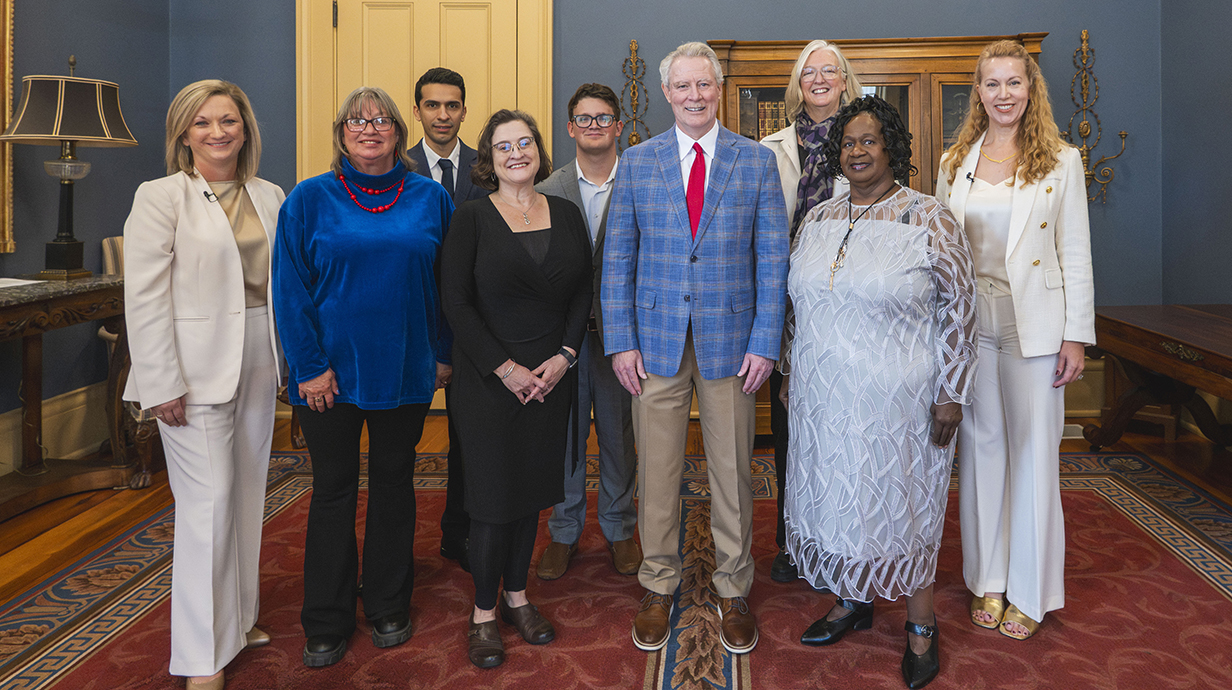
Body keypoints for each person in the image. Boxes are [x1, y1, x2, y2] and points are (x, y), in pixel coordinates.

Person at [779, 95, 976, 689]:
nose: (856, 151)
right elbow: (797, 307)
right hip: (826, 394)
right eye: (847, 142)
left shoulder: (927, 217)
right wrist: (789, 370)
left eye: (868, 140)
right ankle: (852, 601)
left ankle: (921, 625)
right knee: (841, 492)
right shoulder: (818, 219)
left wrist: (953, 391)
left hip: (900, 397)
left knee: (902, 501)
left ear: (892, 147)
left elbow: (962, 307)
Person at [603, 41, 788, 655]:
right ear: (666, 93)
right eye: (682, 86)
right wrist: (620, 341)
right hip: (652, 342)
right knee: (656, 469)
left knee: (732, 468)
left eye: (704, 85)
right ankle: (658, 583)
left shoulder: (755, 161)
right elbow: (618, 259)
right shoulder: (637, 162)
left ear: (718, 86)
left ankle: (733, 587)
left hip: (734, 343)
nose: (694, 96)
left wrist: (766, 341)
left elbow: (772, 259)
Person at [273, 86, 453, 668]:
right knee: (333, 492)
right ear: (341, 132)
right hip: (329, 378)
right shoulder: (308, 199)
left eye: (382, 120)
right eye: (358, 119)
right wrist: (309, 368)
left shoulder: (430, 197)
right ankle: (325, 618)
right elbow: (289, 291)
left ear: (399, 133)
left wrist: (443, 354)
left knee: (396, 486)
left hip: (405, 368)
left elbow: (451, 285)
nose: (370, 128)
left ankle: (387, 603)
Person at [123, 79, 285, 690]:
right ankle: (200, 657)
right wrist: (160, 381)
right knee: (205, 506)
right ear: (183, 134)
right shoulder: (162, 196)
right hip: (189, 370)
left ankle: (238, 622)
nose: (218, 132)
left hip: (260, 356)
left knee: (245, 493)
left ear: (245, 129)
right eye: (202, 124)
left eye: (228, 121)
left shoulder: (269, 194)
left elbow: (281, 285)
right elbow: (141, 298)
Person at [936, 39, 1095, 641]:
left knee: (1033, 458)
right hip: (973, 324)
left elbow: (1074, 254)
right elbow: (945, 254)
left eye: (1015, 83)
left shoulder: (1062, 160)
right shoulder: (957, 161)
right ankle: (991, 579)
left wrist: (1076, 337)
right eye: (992, 84)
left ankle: (1030, 590)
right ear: (977, 92)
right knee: (982, 454)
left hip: (1037, 326)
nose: (1004, 94)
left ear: (1032, 90)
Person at [441, 109, 592, 669]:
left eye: (524, 142)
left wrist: (565, 356)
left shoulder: (568, 214)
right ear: (489, 159)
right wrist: (504, 369)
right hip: (489, 380)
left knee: (530, 491)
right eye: (503, 147)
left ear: (538, 150)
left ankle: (518, 597)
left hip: (550, 378)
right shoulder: (472, 220)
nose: (515, 153)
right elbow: (455, 303)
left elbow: (582, 291)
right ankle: (482, 614)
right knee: (489, 500)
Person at [759, 39, 862, 583]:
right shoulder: (770, 146)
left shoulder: (869, 135)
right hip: (790, 303)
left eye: (829, 71)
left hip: (848, 305)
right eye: (809, 73)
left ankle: (840, 534)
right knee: (789, 425)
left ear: (844, 78)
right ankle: (791, 540)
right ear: (798, 85)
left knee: (843, 425)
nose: (819, 80)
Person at [534, 83, 641, 581]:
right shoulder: (547, 188)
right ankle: (564, 531)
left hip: (624, 337)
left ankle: (620, 529)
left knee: (620, 437)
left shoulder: (643, 180)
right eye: (585, 118)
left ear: (618, 126)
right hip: (564, 338)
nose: (595, 126)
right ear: (571, 127)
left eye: (604, 118)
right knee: (565, 435)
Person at [408, 66, 487, 573]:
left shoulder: (489, 166)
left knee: (469, 439)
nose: (443, 115)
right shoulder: (394, 165)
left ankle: (458, 534)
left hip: (474, 327)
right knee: (400, 443)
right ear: (416, 110)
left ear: (463, 109)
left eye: (452, 105)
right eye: (433, 105)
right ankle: (396, 548)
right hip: (411, 323)